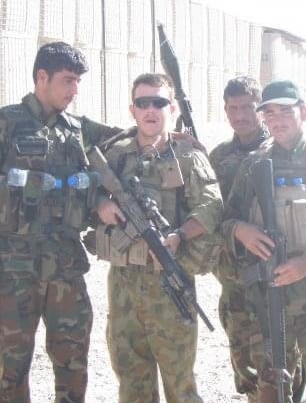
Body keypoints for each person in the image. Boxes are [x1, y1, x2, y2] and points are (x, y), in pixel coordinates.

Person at [0, 42, 122, 402]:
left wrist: (172, 137)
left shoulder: (78, 129)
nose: (74, 90)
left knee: (73, 362)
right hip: (16, 272)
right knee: (13, 371)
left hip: (66, 268)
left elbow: (129, 138)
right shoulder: (2, 125)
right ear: (41, 77)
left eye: (77, 82)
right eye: (67, 80)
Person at [222, 79, 306, 403]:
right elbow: (226, 217)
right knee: (272, 388)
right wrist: (241, 230)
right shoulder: (252, 164)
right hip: (270, 298)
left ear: (304, 112)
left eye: (285, 111)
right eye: (270, 113)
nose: (277, 120)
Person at [93, 73, 222, 403]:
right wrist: (99, 203)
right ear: (132, 109)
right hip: (123, 284)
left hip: (169, 281)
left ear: (173, 108)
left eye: (159, 102)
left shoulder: (188, 156)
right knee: (131, 381)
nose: (151, 110)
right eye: (143, 102)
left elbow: (211, 206)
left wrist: (180, 234)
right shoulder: (116, 155)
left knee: (180, 384)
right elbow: (82, 191)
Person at [208, 76, 270, 400]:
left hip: (274, 278)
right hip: (233, 279)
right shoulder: (215, 158)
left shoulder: (279, 150)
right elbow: (208, 214)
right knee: (243, 361)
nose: (241, 115)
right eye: (234, 108)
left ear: (260, 108)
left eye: (248, 107)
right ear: (226, 111)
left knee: (281, 361)